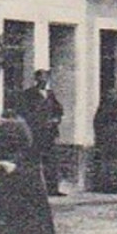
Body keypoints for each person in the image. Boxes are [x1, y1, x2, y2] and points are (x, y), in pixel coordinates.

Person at [17, 68, 66, 196]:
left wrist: (56, 119)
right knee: (33, 161)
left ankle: (52, 189)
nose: (43, 81)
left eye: (45, 79)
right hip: (35, 133)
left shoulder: (50, 94)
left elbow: (59, 110)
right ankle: (32, 190)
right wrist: (36, 123)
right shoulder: (28, 94)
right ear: (36, 80)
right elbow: (24, 112)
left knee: (51, 161)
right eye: (41, 79)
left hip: (50, 134)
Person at [90, 87, 117, 194]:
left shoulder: (107, 107)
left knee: (111, 161)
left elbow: (98, 120)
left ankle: (112, 184)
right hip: (116, 135)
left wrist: (99, 134)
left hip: (111, 135)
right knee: (115, 161)